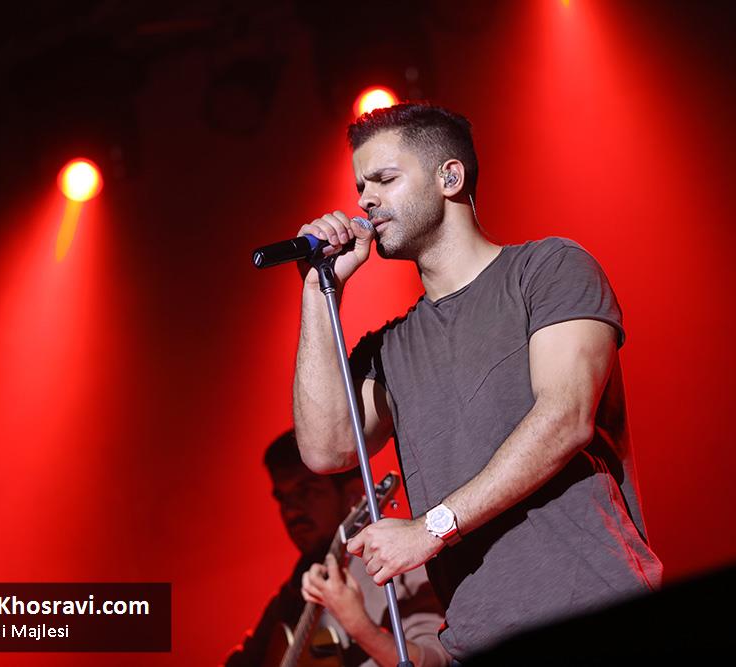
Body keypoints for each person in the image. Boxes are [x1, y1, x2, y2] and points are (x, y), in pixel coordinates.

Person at [291, 102, 663, 660]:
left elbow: (565, 419)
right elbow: (326, 450)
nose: (364, 200)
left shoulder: (548, 269)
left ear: (450, 177)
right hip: (473, 637)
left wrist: (430, 529)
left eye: (384, 179)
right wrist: (319, 291)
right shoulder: (389, 349)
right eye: (360, 187)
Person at [224, 430, 452, 667]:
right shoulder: (291, 595)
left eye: (306, 491)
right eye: (283, 498)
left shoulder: (395, 562)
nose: (291, 511)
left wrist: (358, 625)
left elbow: (436, 661)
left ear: (352, 496)